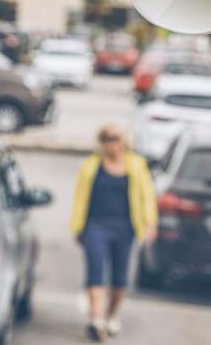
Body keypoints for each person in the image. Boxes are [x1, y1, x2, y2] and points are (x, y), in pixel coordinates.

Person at [70, 123, 158, 341]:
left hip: (124, 226)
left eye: (115, 139)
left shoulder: (136, 165)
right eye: (106, 139)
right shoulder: (91, 166)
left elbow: (147, 196)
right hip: (95, 225)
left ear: (123, 142)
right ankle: (96, 319)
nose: (111, 144)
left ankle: (111, 315)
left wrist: (150, 223)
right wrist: (77, 226)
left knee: (120, 276)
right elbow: (80, 198)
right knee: (95, 270)